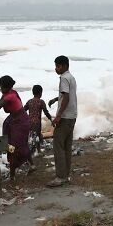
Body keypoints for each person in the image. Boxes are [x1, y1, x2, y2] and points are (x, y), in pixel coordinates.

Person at [46, 55, 78, 187]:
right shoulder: (71, 77)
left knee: (58, 146)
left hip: (65, 117)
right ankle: (66, 174)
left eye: (58, 66)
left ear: (64, 66)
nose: (56, 68)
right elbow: (65, 95)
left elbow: (66, 97)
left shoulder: (64, 78)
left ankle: (60, 177)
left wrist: (58, 115)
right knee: (66, 146)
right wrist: (55, 99)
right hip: (72, 115)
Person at [24, 85, 52, 155]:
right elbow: (46, 112)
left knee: (35, 136)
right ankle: (32, 152)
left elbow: (23, 110)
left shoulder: (29, 101)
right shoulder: (41, 102)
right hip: (37, 123)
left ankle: (38, 150)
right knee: (35, 137)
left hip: (29, 122)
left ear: (33, 92)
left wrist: (26, 117)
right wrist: (51, 119)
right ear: (40, 93)